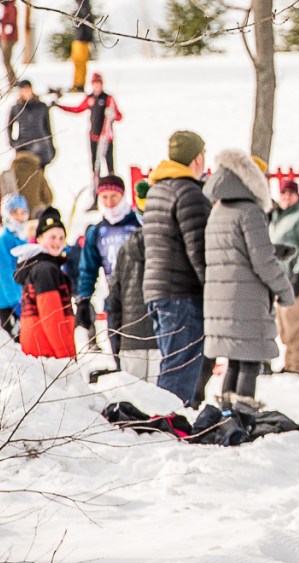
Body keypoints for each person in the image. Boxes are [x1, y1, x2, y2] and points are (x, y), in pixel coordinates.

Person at [203, 150, 295, 412]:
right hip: (246, 302)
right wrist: (285, 291)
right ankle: (242, 417)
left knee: (234, 360)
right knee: (250, 361)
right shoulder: (250, 211)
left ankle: (227, 415)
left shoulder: (218, 210)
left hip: (223, 301)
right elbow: (263, 261)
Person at [142, 130, 212, 406]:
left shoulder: (158, 190)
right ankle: (170, 428)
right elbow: (199, 250)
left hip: (158, 290)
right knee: (180, 372)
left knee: (172, 365)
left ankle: (170, 423)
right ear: (196, 158)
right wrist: (213, 289)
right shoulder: (189, 193)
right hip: (182, 294)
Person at [74, 175, 141, 356]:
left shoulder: (137, 224)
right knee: (118, 352)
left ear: (122, 196)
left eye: (114, 196)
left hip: (140, 294)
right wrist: (84, 300)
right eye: (104, 197)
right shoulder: (97, 231)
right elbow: (88, 269)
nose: (109, 202)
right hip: (114, 296)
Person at [108, 185, 158, 382]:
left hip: (130, 340)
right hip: (161, 341)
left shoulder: (125, 249)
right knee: (165, 406)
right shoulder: (169, 246)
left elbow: (114, 301)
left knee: (134, 406)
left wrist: (116, 344)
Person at [269, 178, 299, 375]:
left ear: (297, 195)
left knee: (295, 321)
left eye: (291, 193)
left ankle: (298, 365)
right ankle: (289, 362)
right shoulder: (277, 215)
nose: (287, 197)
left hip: (297, 277)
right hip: (280, 277)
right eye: (284, 193)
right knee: (283, 323)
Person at [12, 207, 75, 359]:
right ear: (39, 238)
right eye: (52, 237)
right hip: (48, 354)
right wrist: (67, 357)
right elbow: (52, 319)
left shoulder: (41, 265)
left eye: (61, 238)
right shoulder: (45, 270)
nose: (57, 242)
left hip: (41, 351)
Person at [53, 72, 122, 180]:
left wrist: (112, 115)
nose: (97, 86)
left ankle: (112, 183)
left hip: (105, 137)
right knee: (95, 166)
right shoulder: (90, 98)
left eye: (98, 83)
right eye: (95, 83)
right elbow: (77, 109)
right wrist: (59, 106)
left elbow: (119, 116)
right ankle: (96, 186)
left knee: (109, 164)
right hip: (94, 136)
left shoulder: (108, 98)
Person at [0, 194, 30, 338]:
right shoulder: (3, 240)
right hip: (7, 301)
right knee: (12, 342)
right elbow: (4, 274)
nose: (19, 217)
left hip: (21, 297)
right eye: (15, 212)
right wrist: (16, 303)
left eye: (22, 212)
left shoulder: (23, 237)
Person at [0, 150, 54, 224]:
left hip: (14, 218)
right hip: (33, 218)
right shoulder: (38, 174)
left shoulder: (6, 174)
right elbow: (49, 197)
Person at [7, 80, 55, 169]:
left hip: (41, 146)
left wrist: (51, 145)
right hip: (24, 146)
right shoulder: (16, 108)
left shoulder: (41, 106)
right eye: (24, 90)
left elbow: (47, 127)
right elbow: (9, 127)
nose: (26, 92)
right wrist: (13, 142)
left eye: (28, 89)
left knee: (39, 174)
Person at [69, 0, 93, 93]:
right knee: (77, 63)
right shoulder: (81, 7)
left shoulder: (84, 8)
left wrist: (84, 38)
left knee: (80, 63)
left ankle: (79, 85)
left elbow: (87, 26)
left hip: (82, 41)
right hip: (79, 40)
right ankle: (77, 84)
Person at [0, 0, 17, 89]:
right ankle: (12, 81)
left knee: (6, 60)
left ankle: (12, 81)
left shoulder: (11, 7)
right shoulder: (6, 7)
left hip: (9, 38)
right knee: (6, 61)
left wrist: (1, 21)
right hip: (5, 37)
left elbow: (11, 23)